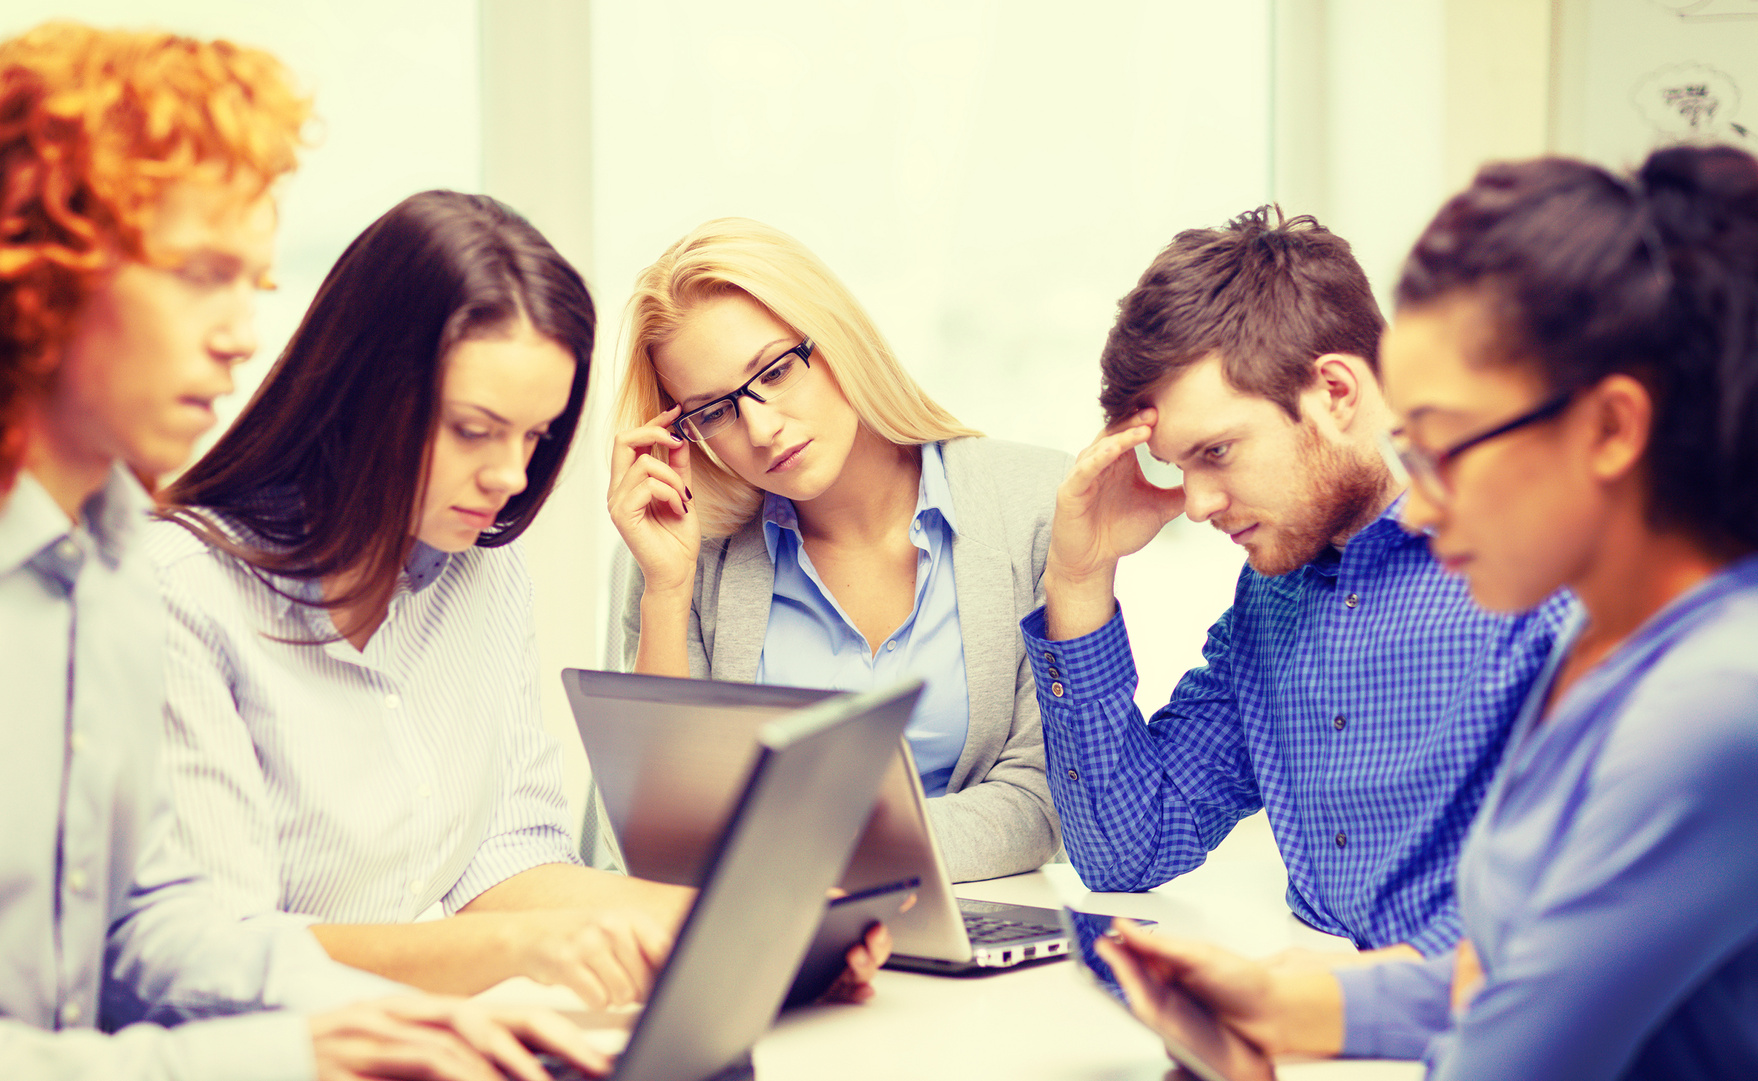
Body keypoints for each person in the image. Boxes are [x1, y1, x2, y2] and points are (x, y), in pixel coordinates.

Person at [0, 21, 604, 1080]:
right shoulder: (163, 580)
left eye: (253, 282)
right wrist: (295, 1051)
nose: (241, 332)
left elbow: (154, 928)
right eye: (200, 273)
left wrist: (394, 1018)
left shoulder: (102, 568)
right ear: (40, 265)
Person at [1100, 144, 1758, 1080]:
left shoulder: (1710, 706)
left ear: (1611, 429)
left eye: (1446, 446)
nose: (1424, 498)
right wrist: (1293, 1001)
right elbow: (1529, 982)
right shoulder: (1608, 643)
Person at [147, 191, 889, 1007]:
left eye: (534, 436)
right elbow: (208, 954)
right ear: (361, 393)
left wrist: (751, 924)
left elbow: (508, 863)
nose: (510, 478)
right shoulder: (178, 594)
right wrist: (516, 947)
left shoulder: (485, 573)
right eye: (475, 429)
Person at [1025, 206, 1574, 957]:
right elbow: (1128, 851)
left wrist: (1323, 1006)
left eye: (1217, 451)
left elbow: (1568, 916)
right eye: (1179, 466)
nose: (1194, 503)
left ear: (1337, 392)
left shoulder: (1549, 573)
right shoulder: (1272, 594)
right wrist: (1080, 580)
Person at [607, 217, 1066, 882]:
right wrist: (667, 590)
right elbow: (661, 837)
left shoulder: (1031, 503)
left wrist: (828, 854)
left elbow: (1039, 798)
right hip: (776, 940)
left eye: (774, 370)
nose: (761, 428)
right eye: (713, 411)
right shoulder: (683, 549)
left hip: (981, 928)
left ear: (836, 336)